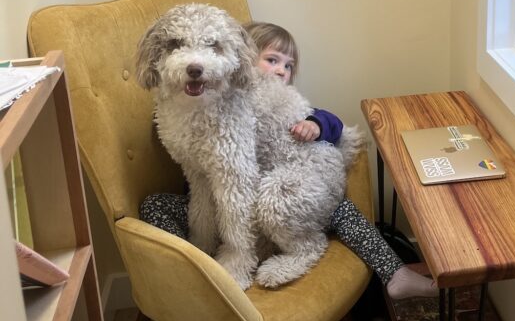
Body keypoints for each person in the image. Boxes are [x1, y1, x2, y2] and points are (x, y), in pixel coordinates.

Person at [140, 20, 436, 300]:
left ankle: (391, 271)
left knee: (337, 209)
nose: (281, 70)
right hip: (228, 204)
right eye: (272, 60)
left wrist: (315, 124)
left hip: (287, 192)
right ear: (242, 58)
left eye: (288, 66)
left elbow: (334, 125)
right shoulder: (210, 99)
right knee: (155, 205)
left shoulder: (284, 103)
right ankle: (190, 266)